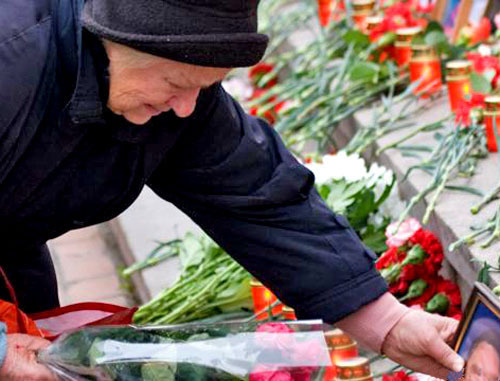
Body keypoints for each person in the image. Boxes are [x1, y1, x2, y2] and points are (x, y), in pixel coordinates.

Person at [0, 0, 464, 379]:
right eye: (177, 84)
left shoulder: (173, 93)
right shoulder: (11, 61)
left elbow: (258, 194)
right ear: (118, 38)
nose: (186, 108)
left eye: (206, 88)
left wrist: (388, 324)